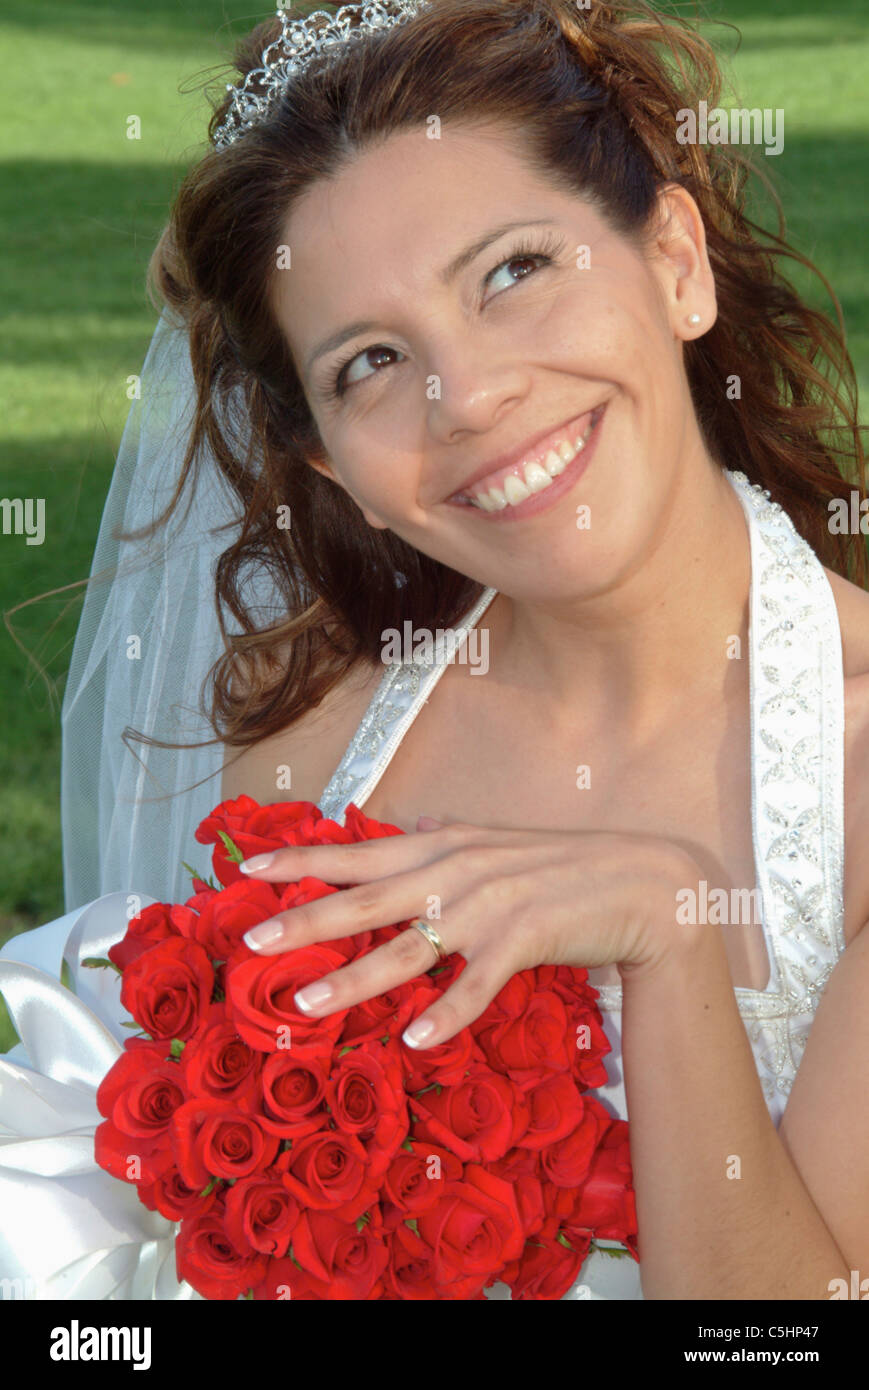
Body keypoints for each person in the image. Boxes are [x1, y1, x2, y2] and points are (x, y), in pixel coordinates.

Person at [1, 0, 867, 1301]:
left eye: (514, 270)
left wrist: (667, 934)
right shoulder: (305, 763)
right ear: (328, 465)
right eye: (370, 361)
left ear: (675, 263)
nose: (466, 397)